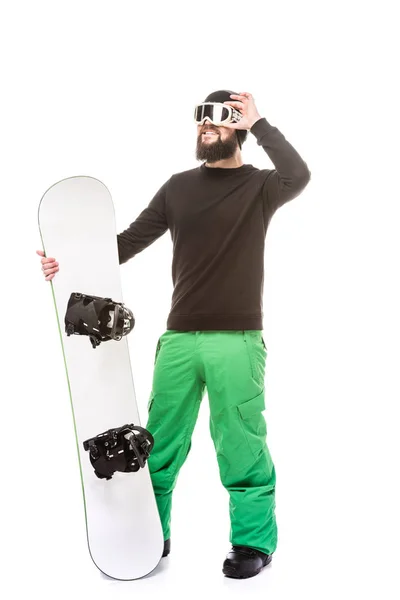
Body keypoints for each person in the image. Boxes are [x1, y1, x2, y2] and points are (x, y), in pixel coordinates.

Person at [37, 89, 311, 579]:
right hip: (179, 340)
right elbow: (122, 245)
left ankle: (252, 542)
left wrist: (263, 121)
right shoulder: (178, 187)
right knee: (158, 443)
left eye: (221, 119)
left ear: (240, 127)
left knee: (241, 442)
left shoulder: (261, 186)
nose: (207, 126)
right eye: (201, 119)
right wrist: (65, 261)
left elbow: (299, 175)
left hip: (237, 340)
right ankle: (151, 534)